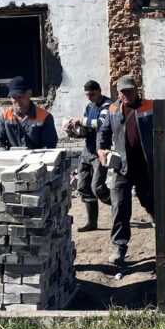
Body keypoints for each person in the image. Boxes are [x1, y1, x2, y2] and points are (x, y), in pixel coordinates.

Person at [97, 74, 165, 266]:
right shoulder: (112, 110)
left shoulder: (151, 107)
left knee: (150, 202)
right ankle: (119, 247)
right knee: (120, 207)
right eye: (123, 92)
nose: (126, 95)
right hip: (122, 167)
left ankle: (160, 232)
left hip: (146, 167)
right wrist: (101, 148)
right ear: (118, 93)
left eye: (130, 91)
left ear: (137, 90)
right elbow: (103, 132)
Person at [64, 80, 112, 231]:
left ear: (99, 91)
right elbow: (85, 131)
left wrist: (81, 120)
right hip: (87, 150)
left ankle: (121, 206)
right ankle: (92, 222)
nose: (90, 97)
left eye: (92, 94)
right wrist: (72, 130)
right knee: (83, 186)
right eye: (87, 95)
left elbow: (101, 123)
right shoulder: (89, 107)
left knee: (97, 187)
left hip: (101, 151)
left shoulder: (107, 105)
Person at [0, 76, 58, 151]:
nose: (17, 101)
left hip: (37, 157)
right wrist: (6, 154)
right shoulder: (5, 116)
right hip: (13, 157)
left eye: (20, 96)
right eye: (14, 97)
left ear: (29, 93)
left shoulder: (45, 117)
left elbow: (49, 145)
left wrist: (33, 155)